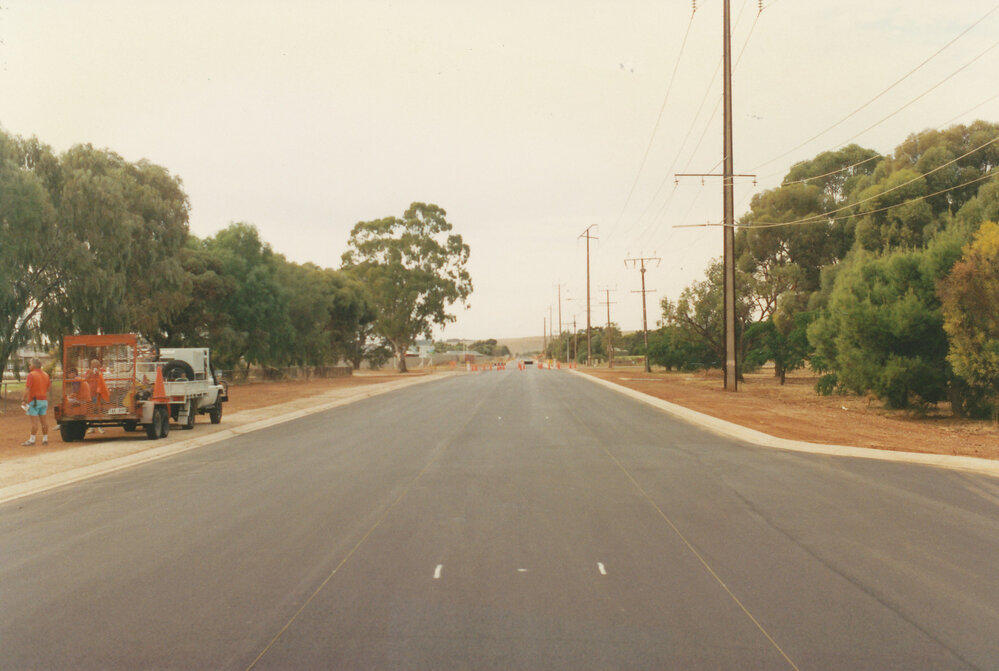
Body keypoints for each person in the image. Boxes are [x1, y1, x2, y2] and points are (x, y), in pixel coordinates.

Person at [21, 358, 51, 446]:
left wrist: (23, 399)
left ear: (33, 366)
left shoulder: (31, 374)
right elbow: (48, 388)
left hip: (34, 400)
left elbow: (28, 388)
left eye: (30, 364)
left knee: (34, 422)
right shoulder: (46, 374)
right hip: (44, 400)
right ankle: (45, 439)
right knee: (44, 422)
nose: (29, 366)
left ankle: (32, 440)